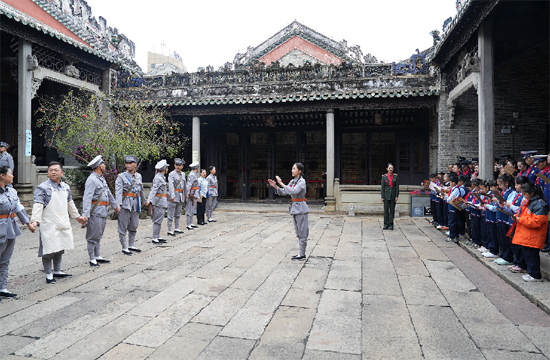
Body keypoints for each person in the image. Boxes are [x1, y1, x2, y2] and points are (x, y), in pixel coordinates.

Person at [30, 162, 86, 284]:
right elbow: (38, 205)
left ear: (62, 172)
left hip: (62, 221)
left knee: (60, 247)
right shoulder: (42, 187)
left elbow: (70, 203)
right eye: (50, 170)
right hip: (49, 223)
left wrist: (77, 217)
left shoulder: (65, 187)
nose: (53, 172)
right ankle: (49, 274)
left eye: (56, 170)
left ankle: (58, 271)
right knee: (48, 249)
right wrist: (35, 221)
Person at [0, 166, 35, 299]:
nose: (13, 176)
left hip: (11, 229)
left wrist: (28, 224)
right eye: (10, 174)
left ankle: (2, 288)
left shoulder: (12, 191)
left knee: (5, 260)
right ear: (2, 175)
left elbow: (19, 208)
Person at [82, 156, 120, 267]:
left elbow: (108, 194)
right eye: (103, 164)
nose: (104, 166)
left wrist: (115, 206)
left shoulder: (101, 179)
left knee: (99, 234)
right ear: (100, 166)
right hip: (95, 212)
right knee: (92, 235)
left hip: (103, 211)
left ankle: (97, 255)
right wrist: (85, 215)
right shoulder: (91, 179)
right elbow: (87, 198)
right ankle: (92, 258)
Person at [508, 181, 548, 282]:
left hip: (534, 235)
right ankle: (531, 273)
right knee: (528, 255)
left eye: (525, 194)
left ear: (532, 193)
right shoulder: (528, 201)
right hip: (527, 235)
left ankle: (535, 275)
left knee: (532, 256)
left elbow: (536, 222)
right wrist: (517, 217)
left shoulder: (539, 205)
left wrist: (519, 219)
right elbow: (523, 215)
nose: (523, 196)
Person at [268, 163, 309, 261]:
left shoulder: (302, 182)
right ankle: (301, 253)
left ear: (299, 171)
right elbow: (285, 191)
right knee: (298, 232)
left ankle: (302, 254)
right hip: (295, 208)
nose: (292, 170)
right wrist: (275, 186)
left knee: (302, 232)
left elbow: (294, 191)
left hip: (301, 209)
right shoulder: (293, 181)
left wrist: (281, 183)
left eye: (294, 168)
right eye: (292, 168)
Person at [115, 155, 146, 256]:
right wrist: (118, 204)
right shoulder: (121, 176)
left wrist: (144, 201)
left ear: (135, 164)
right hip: (125, 203)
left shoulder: (139, 176)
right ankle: (124, 247)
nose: (128, 165)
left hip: (135, 203)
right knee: (123, 225)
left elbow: (141, 190)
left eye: (130, 163)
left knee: (134, 224)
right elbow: (118, 191)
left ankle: (131, 245)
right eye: (127, 163)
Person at [145, 160, 170, 244]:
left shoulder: (161, 177)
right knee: (157, 220)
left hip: (162, 202)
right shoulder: (158, 178)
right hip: (158, 202)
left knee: (160, 220)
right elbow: (153, 190)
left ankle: (158, 236)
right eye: (166, 167)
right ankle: (154, 238)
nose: (167, 169)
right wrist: (149, 200)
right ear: (164, 168)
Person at [533, 155, 550, 252]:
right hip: (544, 201)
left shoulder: (547, 172)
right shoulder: (543, 172)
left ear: (544, 163)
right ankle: (546, 242)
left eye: (539, 163)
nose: (537, 166)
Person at [167, 158, 186, 236]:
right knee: (171, 214)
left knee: (178, 213)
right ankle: (169, 230)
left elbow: (185, 185)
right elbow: (171, 185)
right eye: (176, 165)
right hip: (174, 195)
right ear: (174, 165)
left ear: (182, 166)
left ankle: (177, 228)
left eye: (180, 165)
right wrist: (172, 195)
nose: (178, 167)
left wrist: (186, 195)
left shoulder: (183, 174)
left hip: (180, 195)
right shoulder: (171, 174)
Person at [381, 163, 399, 230]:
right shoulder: (384, 177)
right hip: (386, 196)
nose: (391, 169)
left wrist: (396, 196)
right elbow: (382, 188)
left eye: (392, 168)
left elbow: (397, 187)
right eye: (389, 168)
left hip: (393, 196)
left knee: (392, 211)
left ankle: (391, 224)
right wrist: (382, 196)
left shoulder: (395, 176)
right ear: (387, 169)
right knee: (386, 211)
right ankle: (386, 224)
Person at [185, 162, 200, 231]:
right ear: (196, 168)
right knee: (189, 209)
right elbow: (188, 185)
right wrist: (187, 194)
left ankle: (191, 223)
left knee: (192, 209)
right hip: (191, 194)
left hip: (194, 194)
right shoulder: (192, 175)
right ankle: (188, 224)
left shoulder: (194, 174)